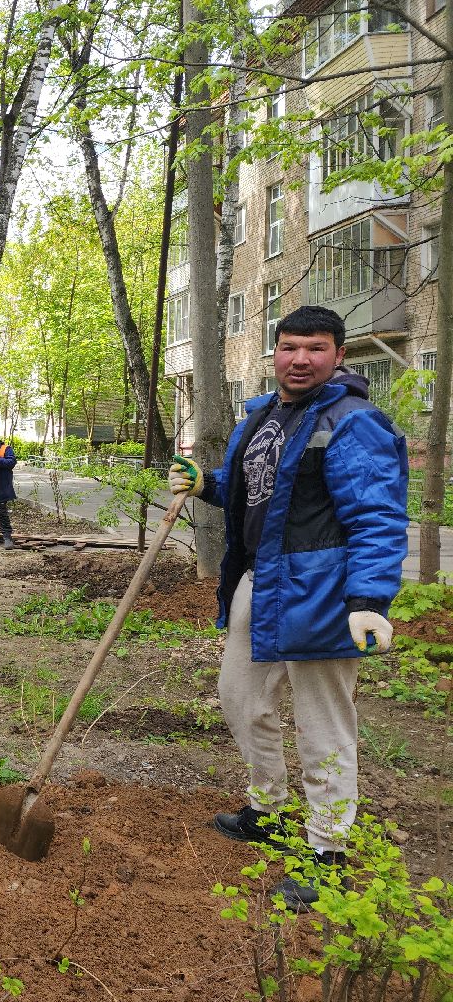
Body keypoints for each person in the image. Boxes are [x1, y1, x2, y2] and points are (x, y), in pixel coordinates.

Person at [168, 305, 407, 910]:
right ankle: (270, 808)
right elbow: (252, 493)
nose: (301, 358)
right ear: (275, 352)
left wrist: (370, 599)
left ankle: (328, 851)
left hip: (326, 594)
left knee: (323, 722)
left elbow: (378, 516)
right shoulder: (266, 417)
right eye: (290, 346)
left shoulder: (354, 424)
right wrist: (206, 485)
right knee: (240, 697)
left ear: (339, 357)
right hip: (264, 581)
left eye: (316, 348)